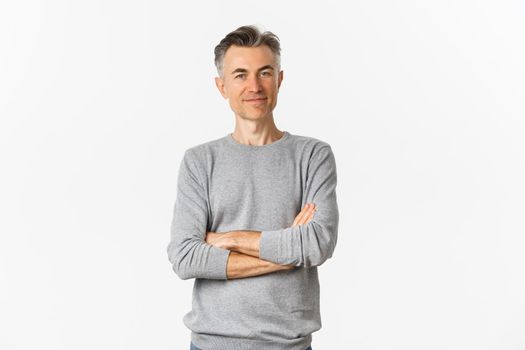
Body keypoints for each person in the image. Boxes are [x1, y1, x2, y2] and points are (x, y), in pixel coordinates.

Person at [167, 24, 339, 350]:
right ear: (222, 86)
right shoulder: (199, 161)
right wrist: (288, 253)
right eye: (240, 75)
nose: (254, 86)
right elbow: (186, 257)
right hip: (210, 345)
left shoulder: (313, 156)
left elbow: (318, 243)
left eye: (264, 73)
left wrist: (229, 239)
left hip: (290, 345)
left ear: (280, 79)